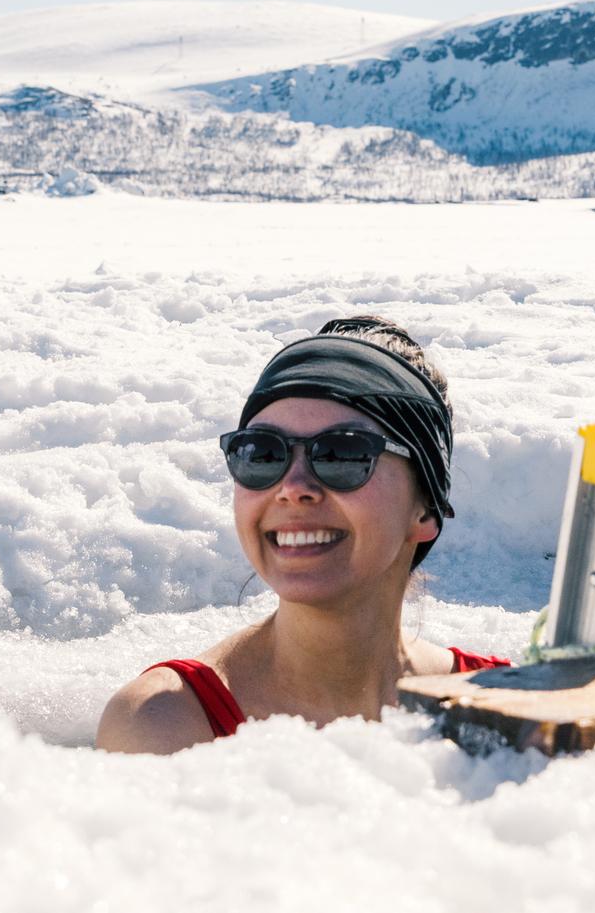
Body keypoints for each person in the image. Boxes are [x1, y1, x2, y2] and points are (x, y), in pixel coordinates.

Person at [96, 315, 508, 753]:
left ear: (425, 508)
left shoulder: (508, 709)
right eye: (261, 454)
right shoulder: (166, 726)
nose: (292, 488)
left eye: (341, 454)